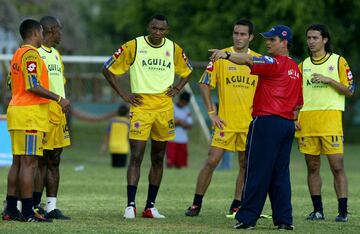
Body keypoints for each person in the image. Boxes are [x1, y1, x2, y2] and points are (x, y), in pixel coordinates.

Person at [209, 24, 303, 230]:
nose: (268, 42)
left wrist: (225, 55)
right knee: (280, 174)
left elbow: (248, 59)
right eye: (268, 39)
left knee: (256, 171)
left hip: (267, 122)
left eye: (273, 39)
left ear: (285, 42)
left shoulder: (273, 61)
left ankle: (247, 218)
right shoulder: (295, 68)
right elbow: (298, 102)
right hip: (287, 125)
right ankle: (284, 221)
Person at [102, 14, 192, 219]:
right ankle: (130, 205)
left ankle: (150, 207)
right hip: (141, 106)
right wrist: (123, 94)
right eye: (154, 28)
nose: (157, 33)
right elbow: (107, 68)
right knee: (136, 156)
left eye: (161, 30)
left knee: (159, 157)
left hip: (164, 107)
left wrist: (178, 87)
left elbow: (188, 71)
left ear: (166, 31)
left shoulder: (174, 48)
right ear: (148, 27)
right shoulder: (133, 46)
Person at [185, 19, 261, 218]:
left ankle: (237, 204)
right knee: (212, 161)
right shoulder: (219, 57)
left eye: (243, 34)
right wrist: (212, 113)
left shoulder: (258, 60)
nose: (238, 37)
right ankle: (196, 204)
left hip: (249, 124)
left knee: (245, 164)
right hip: (225, 122)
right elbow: (204, 84)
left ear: (251, 37)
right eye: (236, 33)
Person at [2, 19, 69, 222]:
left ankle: (11, 209)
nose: (42, 36)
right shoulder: (31, 54)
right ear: (36, 33)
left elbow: (12, 83)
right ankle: (29, 212)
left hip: (16, 112)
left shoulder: (17, 53)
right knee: (30, 164)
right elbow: (32, 84)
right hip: (29, 114)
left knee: (18, 163)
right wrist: (58, 98)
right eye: (41, 32)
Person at [295, 24, 355, 222]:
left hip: (330, 122)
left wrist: (329, 80)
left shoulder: (338, 61)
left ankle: (343, 212)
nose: (311, 41)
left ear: (325, 40)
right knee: (312, 167)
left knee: (337, 167)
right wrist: (294, 117)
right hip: (307, 123)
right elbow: (294, 95)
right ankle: (318, 210)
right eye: (309, 38)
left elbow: (350, 90)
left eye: (315, 38)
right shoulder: (303, 65)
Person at [31, 16, 71, 220]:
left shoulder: (56, 54)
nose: (61, 34)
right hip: (40, 113)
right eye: (60, 30)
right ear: (52, 30)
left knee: (54, 160)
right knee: (39, 161)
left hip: (58, 114)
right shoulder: (33, 53)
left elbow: (60, 81)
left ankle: (51, 206)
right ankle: (34, 205)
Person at [166, 91, 192, 168]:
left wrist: (178, 121)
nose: (184, 104)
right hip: (172, 140)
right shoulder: (172, 107)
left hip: (183, 140)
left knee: (180, 164)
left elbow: (190, 125)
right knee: (170, 163)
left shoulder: (187, 110)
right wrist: (181, 122)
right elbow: (168, 123)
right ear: (181, 100)